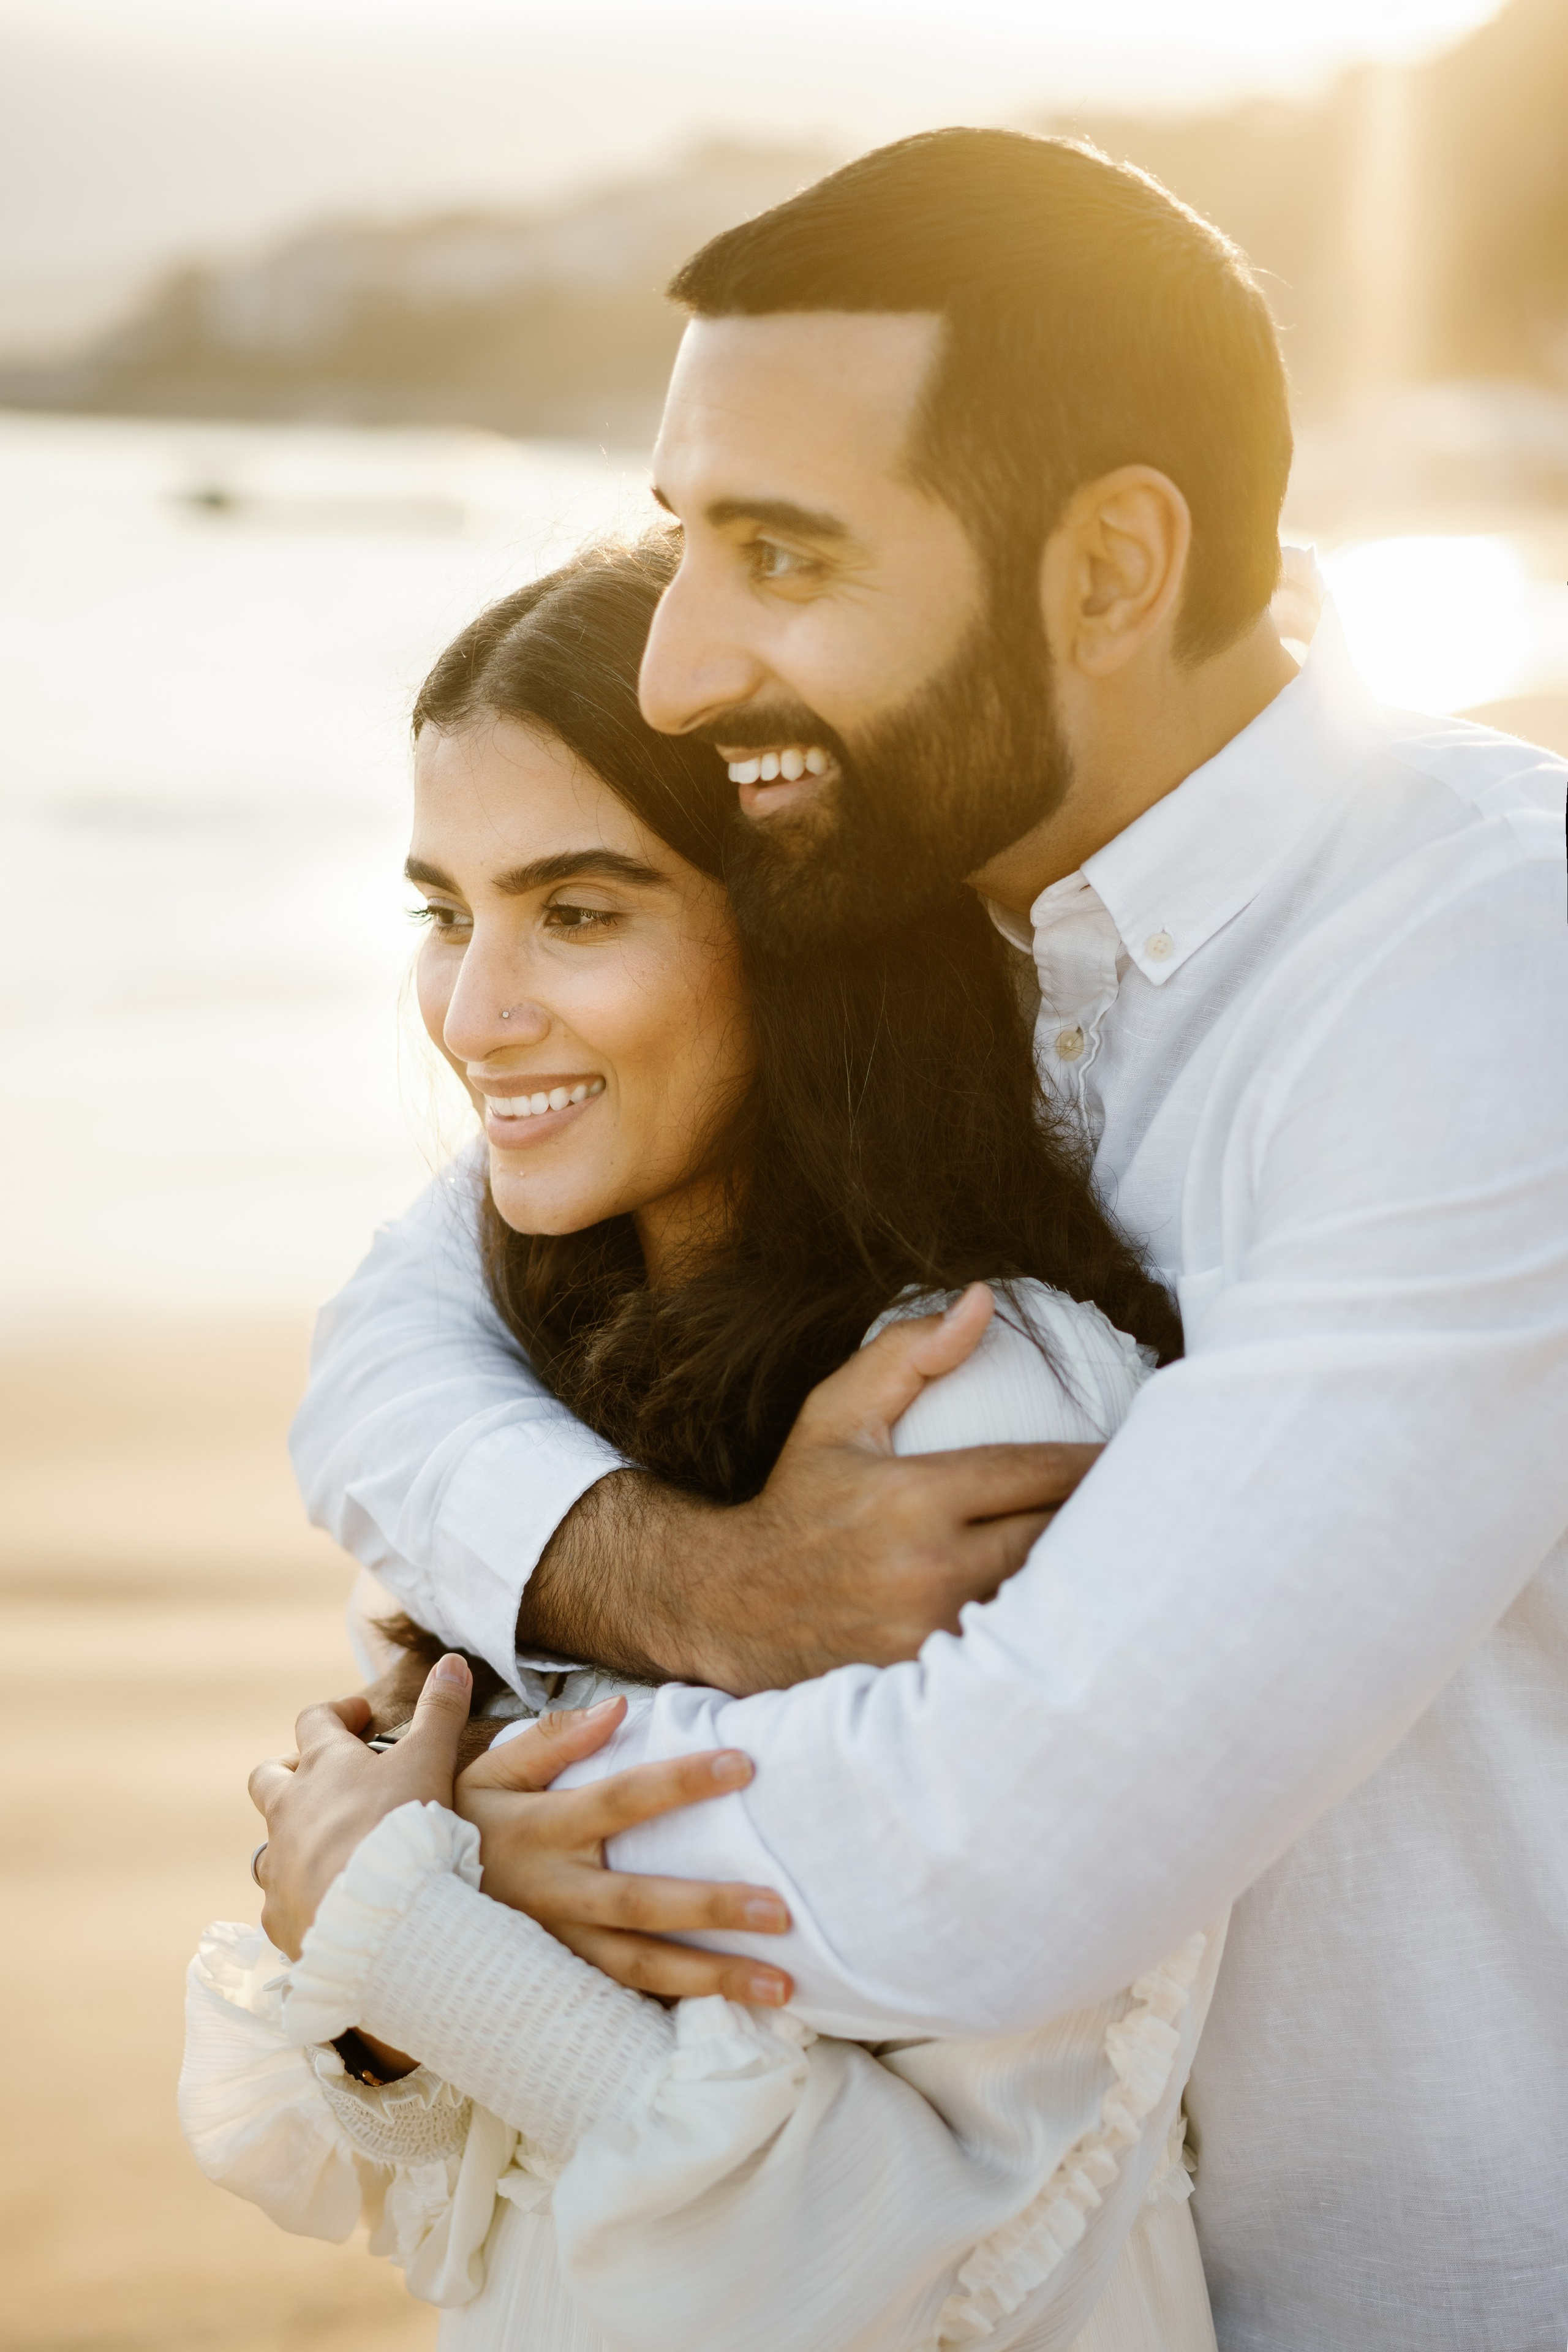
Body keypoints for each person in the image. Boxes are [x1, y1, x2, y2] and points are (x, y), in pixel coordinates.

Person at [287, 132, 1568, 2349]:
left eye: (782, 555)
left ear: (1109, 568)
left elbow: (994, 1859)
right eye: (686, 544)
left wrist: (444, 1866)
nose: (684, 671)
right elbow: (406, 1318)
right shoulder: (938, 885)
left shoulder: (1482, 977)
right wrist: (661, 1573)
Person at [182, 538, 1226, 2351]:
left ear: (799, 935)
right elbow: (442, 2186)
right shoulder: (546, 1370)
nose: (475, 1014)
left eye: (578, 913)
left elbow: (933, 2259)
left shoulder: (977, 1414)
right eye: (446, 911)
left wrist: (406, 1921)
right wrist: (402, 1958)